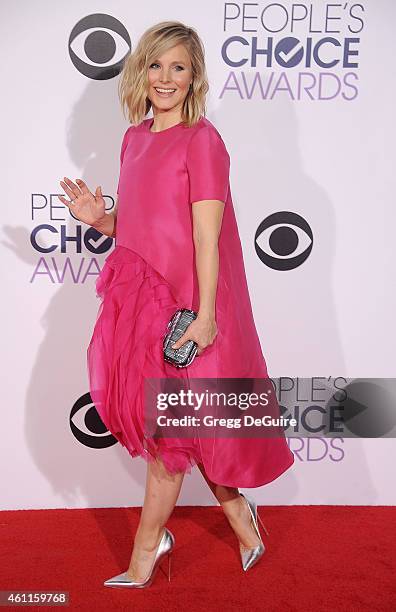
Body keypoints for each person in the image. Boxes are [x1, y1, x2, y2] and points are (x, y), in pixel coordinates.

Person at [58, 20, 294, 588]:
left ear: (194, 78)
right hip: (142, 302)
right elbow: (140, 228)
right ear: (141, 71)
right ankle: (240, 518)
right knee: (180, 429)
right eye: (157, 65)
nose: (166, 77)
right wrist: (102, 220)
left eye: (179, 67)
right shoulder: (134, 139)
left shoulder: (202, 140)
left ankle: (147, 551)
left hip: (190, 307)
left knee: (186, 430)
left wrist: (208, 316)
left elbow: (207, 237)